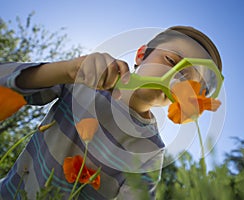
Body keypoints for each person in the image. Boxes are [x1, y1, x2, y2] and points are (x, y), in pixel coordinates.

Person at [0, 26, 222, 199]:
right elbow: (5, 83)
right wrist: (67, 71)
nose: (175, 78)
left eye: (188, 82)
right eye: (171, 60)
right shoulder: (86, 82)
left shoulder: (151, 150)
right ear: (141, 55)